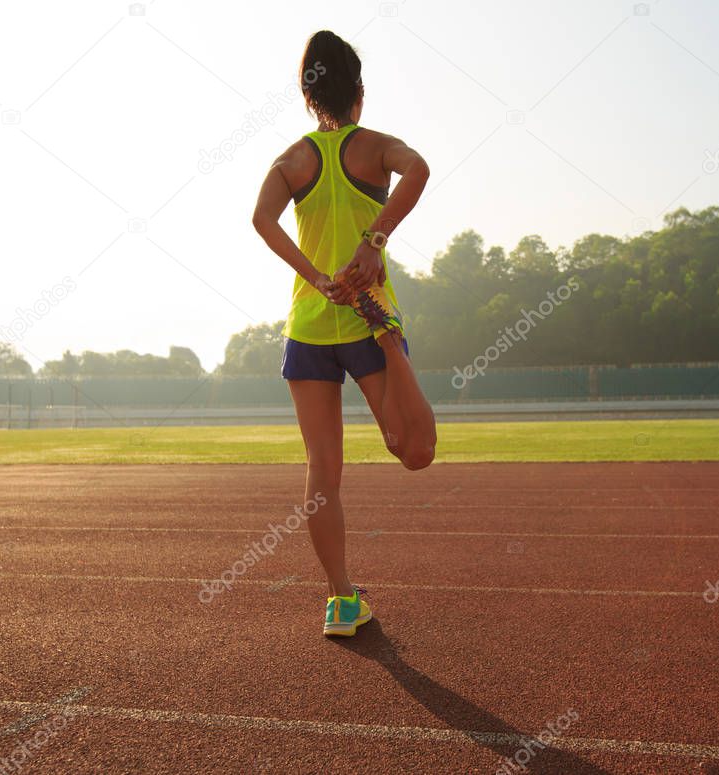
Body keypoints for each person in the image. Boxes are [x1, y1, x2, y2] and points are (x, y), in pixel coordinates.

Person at [252, 30, 437, 637]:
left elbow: (261, 219)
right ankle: (388, 337)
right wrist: (375, 240)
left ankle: (339, 600)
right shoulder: (376, 147)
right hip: (367, 317)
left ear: (309, 97)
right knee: (413, 450)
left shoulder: (293, 160)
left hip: (310, 323)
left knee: (321, 468)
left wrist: (315, 276)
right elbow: (420, 169)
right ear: (359, 90)